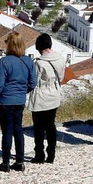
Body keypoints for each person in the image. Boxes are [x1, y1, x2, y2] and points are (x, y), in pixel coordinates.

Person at [0, 32, 38, 172]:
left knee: (7, 131)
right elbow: (33, 82)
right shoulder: (28, 61)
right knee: (18, 129)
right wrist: (22, 91)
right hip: (19, 99)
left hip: (5, 100)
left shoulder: (4, 62)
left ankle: (5, 163)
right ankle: (20, 161)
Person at [29, 33, 65, 164]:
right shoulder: (60, 58)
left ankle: (39, 154)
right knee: (51, 125)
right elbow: (61, 76)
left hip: (40, 95)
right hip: (54, 94)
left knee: (38, 127)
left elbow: (34, 81)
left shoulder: (39, 62)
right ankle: (51, 154)